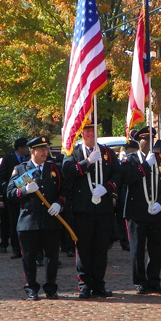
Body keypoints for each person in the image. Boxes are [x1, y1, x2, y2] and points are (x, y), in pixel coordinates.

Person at [62, 121, 121, 299]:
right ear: (81, 134)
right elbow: (67, 170)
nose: (90, 134)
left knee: (101, 248)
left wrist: (108, 188)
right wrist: (86, 162)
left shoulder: (106, 152)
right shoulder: (73, 152)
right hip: (83, 209)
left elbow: (118, 174)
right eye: (87, 130)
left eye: (93, 130)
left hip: (102, 208)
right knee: (84, 248)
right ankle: (84, 285)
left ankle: (98, 284)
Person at [7, 136, 68, 300]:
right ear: (32, 151)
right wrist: (25, 190)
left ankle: (51, 287)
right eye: (42, 150)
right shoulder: (23, 170)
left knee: (52, 257)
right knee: (29, 257)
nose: (45, 152)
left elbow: (64, 191)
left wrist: (59, 203)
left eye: (46, 149)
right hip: (29, 220)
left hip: (51, 220)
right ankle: (31, 287)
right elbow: (10, 193)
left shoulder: (54, 169)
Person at [122, 126, 161, 295]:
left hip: (156, 211)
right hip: (137, 212)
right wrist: (145, 166)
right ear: (139, 141)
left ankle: (154, 281)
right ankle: (140, 282)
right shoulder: (130, 160)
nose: (149, 143)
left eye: (152, 139)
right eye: (146, 139)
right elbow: (128, 179)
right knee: (137, 249)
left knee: (156, 248)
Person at [0, 137, 30, 259]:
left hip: (27, 196)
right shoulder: (8, 159)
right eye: (26, 147)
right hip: (13, 197)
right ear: (20, 148)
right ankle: (16, 249)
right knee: (14, 223)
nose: (27, 150)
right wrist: (0, 197)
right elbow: (0, 178)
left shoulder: (29, 159)